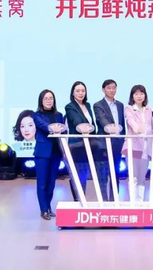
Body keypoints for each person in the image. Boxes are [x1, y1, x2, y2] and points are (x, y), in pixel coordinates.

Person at [64, 81, 108, 201]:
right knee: (79, 177)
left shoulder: (88, 105)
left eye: (83, 91)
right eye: (78, 91)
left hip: (92, 145)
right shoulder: (70, 106)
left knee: (99, 174)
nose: (81, 93)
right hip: (77, 146)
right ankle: (79, 202)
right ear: (73, 93)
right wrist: (83, 128)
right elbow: (77, 122)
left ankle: (103, 202)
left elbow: (92, 125)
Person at [123, 84, 153, 202]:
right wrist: (138, 129)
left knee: (142, 176)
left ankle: (140, 201)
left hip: (146, 147)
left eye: (141, 93)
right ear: (132, 96)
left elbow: (151, 126)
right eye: (136, 94)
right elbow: (131, 121)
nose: (139, 96)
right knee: (133, 176)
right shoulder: (129, 108)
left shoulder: (148, 110)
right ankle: (133, 202)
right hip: (133, 145)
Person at [34, 89, 64, 220]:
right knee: (42, 183)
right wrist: (52, 128)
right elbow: (43, 125)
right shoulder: (37, 115)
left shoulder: (59, 115)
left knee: (51, 183)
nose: (48, 100)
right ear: (41, 101)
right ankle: (43, 209)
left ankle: (48, 207)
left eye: (51, 98)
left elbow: (63, 130)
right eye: (46, 98)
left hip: (56, 153)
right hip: (42, 153)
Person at [94, 79, 126, 201]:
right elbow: (102, 120)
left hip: (118, 143)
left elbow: (122, 124)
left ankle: (114, 201)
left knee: (115, 174)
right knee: (103, 176)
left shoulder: (120, 105)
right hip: (104, 144)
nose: (112, 90)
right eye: (109, 88)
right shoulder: (98, 105)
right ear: (103, 90)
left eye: (114, 88)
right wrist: (110, 128)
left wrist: (123, 140)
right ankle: (104, 203)